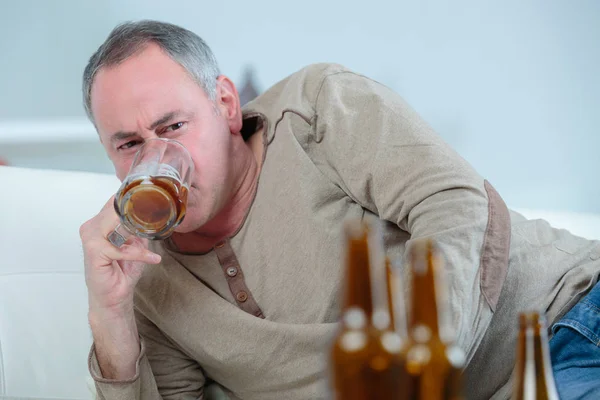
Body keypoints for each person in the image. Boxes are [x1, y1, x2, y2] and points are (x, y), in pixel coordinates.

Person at [79, 20, 600, 400]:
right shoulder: (145, 277)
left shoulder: (316, 108)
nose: (157, 157)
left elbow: (455, 203)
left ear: (225, 105)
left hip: (565, 323)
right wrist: (110, 317)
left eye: (173, 128)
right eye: (129, 145)